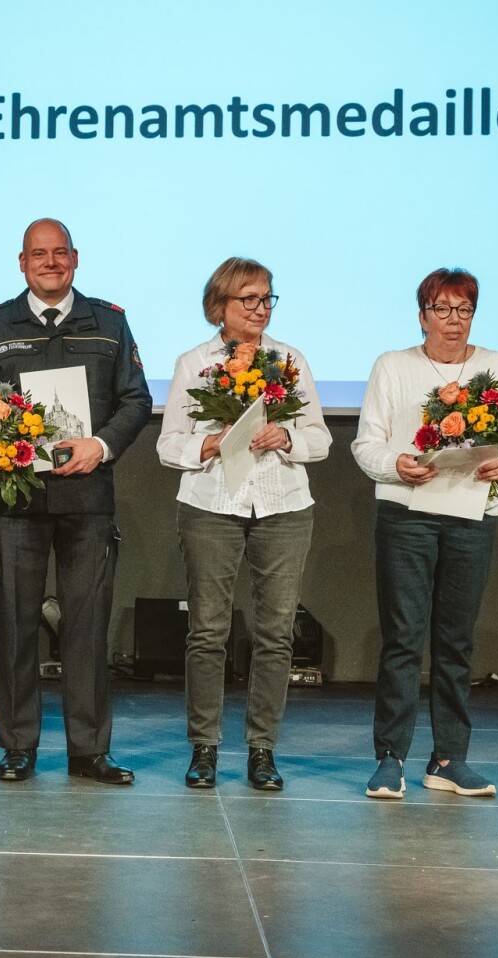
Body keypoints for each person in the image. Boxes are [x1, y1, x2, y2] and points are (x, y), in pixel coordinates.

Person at [0, 218, 152, 784]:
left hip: (88, 499)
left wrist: (103, 443)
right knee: (16, 624)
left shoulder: (110, 323)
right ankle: (18, 745)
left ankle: (89, 749)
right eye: (38, 255)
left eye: (60, 253)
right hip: (19, 502)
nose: (50, 262)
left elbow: (135, 400)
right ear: (22, 262)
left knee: (87, 627)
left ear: (75, 258)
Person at [352, 268, 498, 799]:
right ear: (422, 314)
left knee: (456, 641)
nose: (453, 322)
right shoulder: (393, 366)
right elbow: (366, 445)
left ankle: (449, 758)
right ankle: (391, 758)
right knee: (403, 639)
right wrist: (397, 463)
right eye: (442, 309)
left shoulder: (495, 366)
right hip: (408, 514)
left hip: (472, 514)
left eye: (464, 310)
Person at [156, 257, 331, 791]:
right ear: (219, 306)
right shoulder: (195, 363)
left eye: (266, 298)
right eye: (248, 299)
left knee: (275, 633)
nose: (259, 309)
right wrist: (209, 443)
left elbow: (320, 439)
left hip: (282, 506)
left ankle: (262, 749)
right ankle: (204, 748)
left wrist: (288, 438)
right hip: (212, 503)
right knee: (208, 631)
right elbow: (167, 445)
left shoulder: (290, 360)